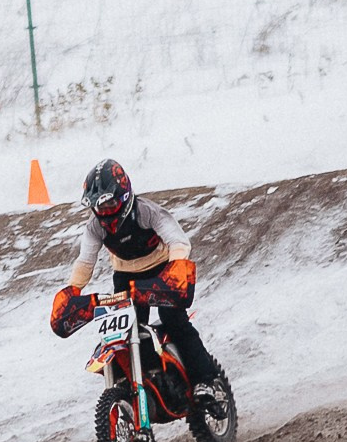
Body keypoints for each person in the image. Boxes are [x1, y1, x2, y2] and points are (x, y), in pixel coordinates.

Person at [47, 159, 222, 400]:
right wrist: (72, 290)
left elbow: (178, 241)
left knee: (174, 319)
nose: (105, 211)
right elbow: (85, 262)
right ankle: (143, 381)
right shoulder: (94, 227)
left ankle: (206, 380)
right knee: (124, 331)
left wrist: (176, 267)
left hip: (162, 269)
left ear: (124, 195)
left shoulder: (147, 211)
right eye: (99, 206)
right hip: (126, 277)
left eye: (109, 203)